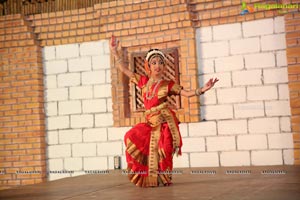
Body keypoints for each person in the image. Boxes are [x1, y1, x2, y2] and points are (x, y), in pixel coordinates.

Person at [109, 35, 218, 187]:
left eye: (160, 62)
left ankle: (164, 179)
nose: (157, 65)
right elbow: (123, 69)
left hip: (164, 122)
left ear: (164, 66)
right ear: (148, 66)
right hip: (150, 123)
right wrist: (115, 52)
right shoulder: (143, 82)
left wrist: (202, 89)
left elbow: (186, 93)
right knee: (131, 136)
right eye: (154, 62)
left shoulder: (168, 84)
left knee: (165, 149)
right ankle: (148, 177)